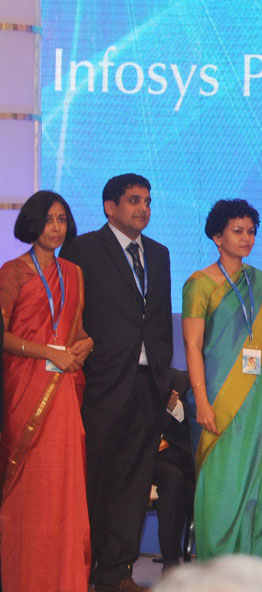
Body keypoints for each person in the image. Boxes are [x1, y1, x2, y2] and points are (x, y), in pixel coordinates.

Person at [61, 173, 173, 592]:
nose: (142, 208)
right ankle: (83, 570)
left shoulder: (158, 254)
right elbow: (73, 314)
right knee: (94, 482)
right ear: (110, 207)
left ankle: (117, 572)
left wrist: (164, 375)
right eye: (133, 200)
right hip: (100, 386)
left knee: (133, 484)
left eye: (147, 200)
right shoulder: (83, 250)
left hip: (147, 386)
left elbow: (159, 320)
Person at [182, 199, 262, 559]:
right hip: (217, 398)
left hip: (257, 396)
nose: (247, 238)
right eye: (237, 231)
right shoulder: (199, 284)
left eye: (251, 231)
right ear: (217, 236)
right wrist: (201, 399)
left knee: (256, 481)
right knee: (220, 485)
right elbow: (193, 346)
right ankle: (216, 572)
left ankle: (249, 569)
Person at [0, 190, 92, 591]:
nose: (56, 228)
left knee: (63, 487)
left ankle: (63, 575)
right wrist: (47, 352)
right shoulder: (12, 272)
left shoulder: (74, 273)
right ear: (33, 223)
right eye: (49, 220)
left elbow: (80, 331)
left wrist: (84, 346)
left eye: (62, 220)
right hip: (25, 385)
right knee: (28, 485)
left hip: (64, 392)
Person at [153, 369, 196, 572]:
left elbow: (196, 420)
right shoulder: (127, 377)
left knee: (195, 476)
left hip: (176, 455)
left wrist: (174, 407)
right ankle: (170, 563)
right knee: (174, 480)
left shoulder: (180, 381)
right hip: (142, 457)